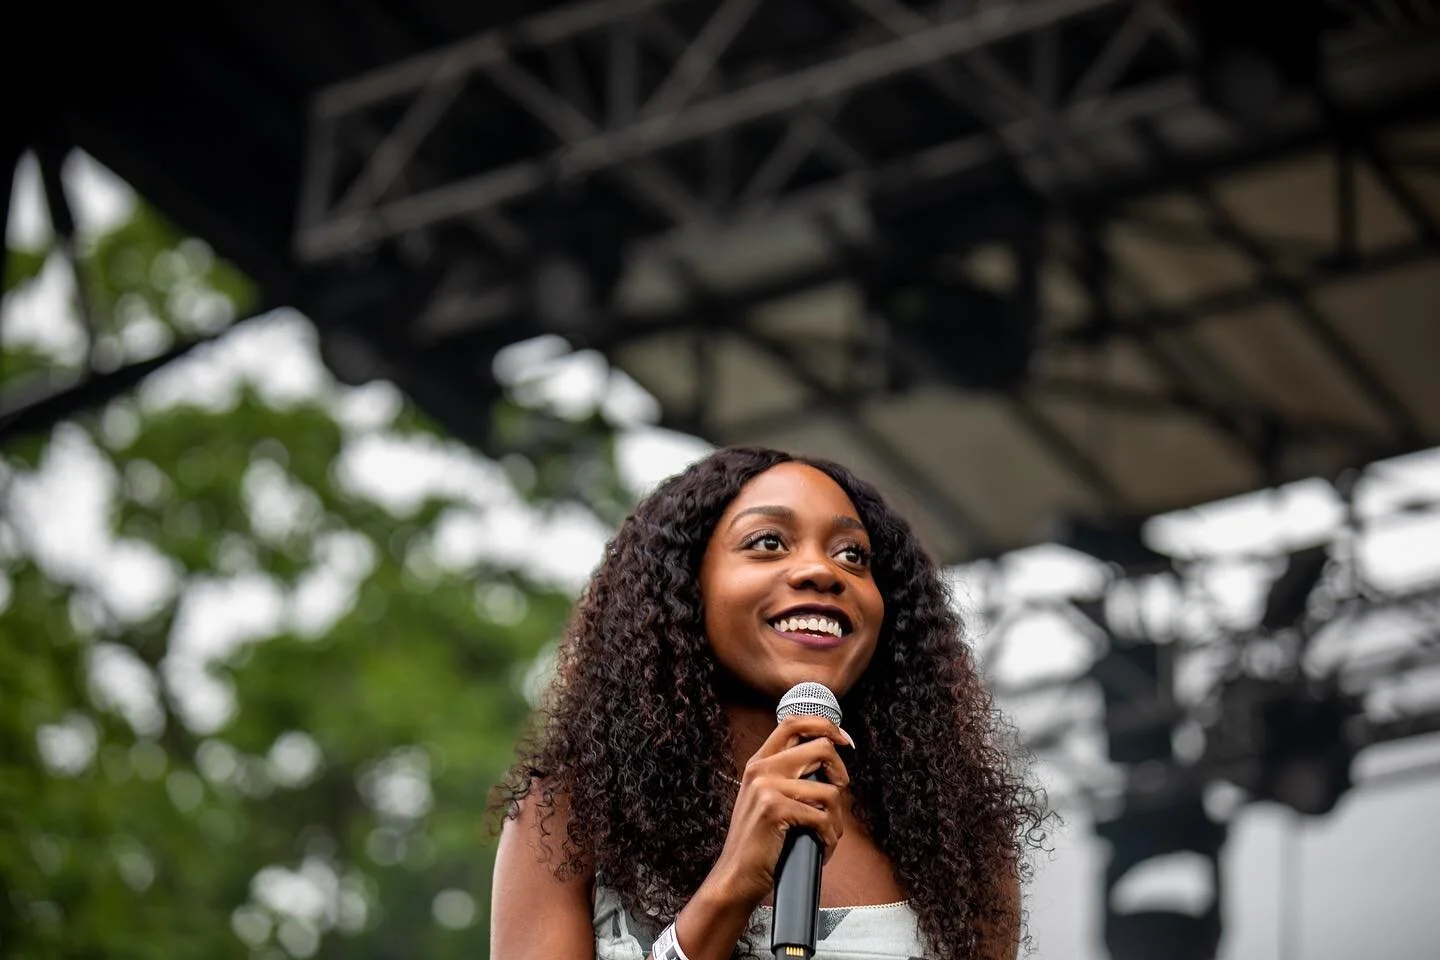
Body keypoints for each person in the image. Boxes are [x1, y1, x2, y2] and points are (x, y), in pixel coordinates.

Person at [491, 447, 1046, 960]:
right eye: (769, 543)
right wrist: (731, 886)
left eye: (853, 555)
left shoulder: (953, 831)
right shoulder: (574, 812)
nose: (822, 571)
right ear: (687, 585)